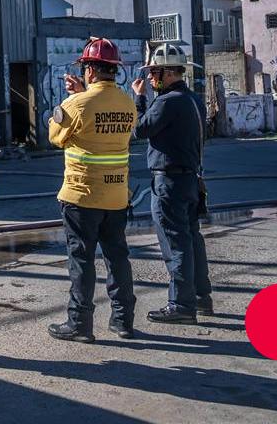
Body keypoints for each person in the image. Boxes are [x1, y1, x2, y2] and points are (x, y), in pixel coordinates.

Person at [45, 37, 139, 343]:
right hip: (117, 195)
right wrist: (82, 97)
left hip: (81, 196)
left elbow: (56, 137)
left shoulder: (76, 104)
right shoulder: (127, 103)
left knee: (81, 260)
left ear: (89, 70)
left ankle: (80, 324)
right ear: (114, 70)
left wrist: (73, 100)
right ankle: (123, 321)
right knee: (117, 258)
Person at [131, 43, 212, 324]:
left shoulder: (167, 102)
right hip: (189, 179)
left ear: (167, 72)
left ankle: (181, 304)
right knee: (192, 240)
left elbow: (141, 129)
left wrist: (139, 99)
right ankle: (201, 297)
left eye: (154, 72)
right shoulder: (193, 99)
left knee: (174, 243)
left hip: (169, 182)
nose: (150, 77)